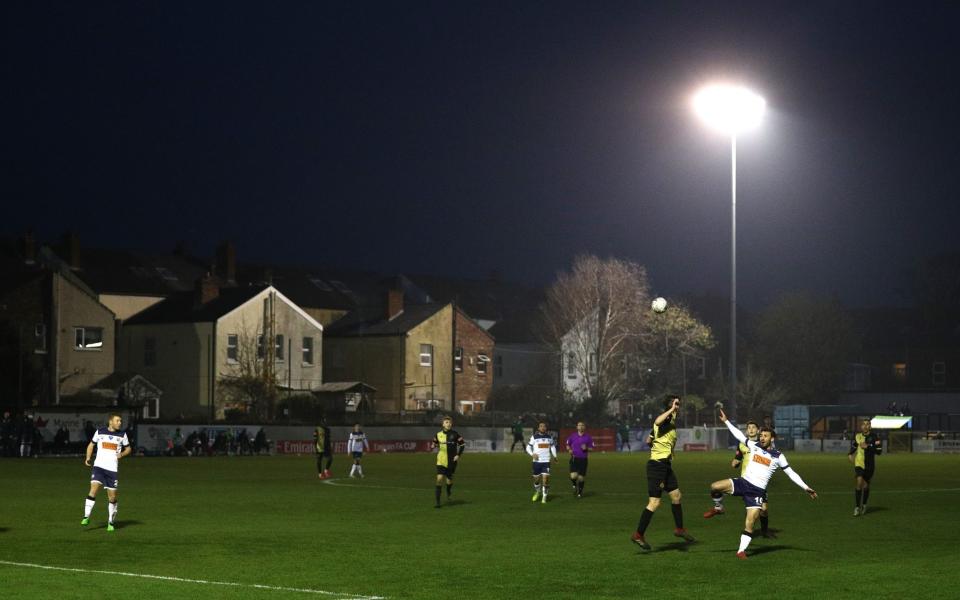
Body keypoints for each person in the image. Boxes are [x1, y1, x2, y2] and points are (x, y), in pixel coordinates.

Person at [706, 408, 817, 559]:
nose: (762, 438)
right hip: (743, 483)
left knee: (750, 522)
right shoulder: (754, 446)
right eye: (761, 435)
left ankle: (741, 551)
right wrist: (726, 421)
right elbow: (739, 436)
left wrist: (806, 487)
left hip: (756, 492)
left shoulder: (778, 456)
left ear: (772, 438)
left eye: (765, 436)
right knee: (714, 486)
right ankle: (719, 507)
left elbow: (791, 473)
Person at [631, 395, 695, 550]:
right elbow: (657, 421)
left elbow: (648, 440)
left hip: (665, 466)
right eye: (676, 404)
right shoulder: (666, 419)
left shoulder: (670, 422)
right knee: (654, 502)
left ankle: (679, 529)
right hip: (657, 466)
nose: (678, 406)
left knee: (676, 495)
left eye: (679, 403)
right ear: (670, 406)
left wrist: (664, 447)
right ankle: (638, 534)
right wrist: (671, 410)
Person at [706, 420, 774, 538]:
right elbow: (737, 458)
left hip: (758, 481)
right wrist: (735, 462)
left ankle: (764, 531)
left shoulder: (762, 443)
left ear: (758, 431)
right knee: (716, 487)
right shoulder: (742, 444)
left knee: (764, 509)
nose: (751, 429)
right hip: (745, 480)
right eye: (749, 428)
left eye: (753, 427)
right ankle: (718, 507)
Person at [81, 412, 132, 532]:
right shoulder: (100, 432)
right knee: (93, 489)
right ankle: (86, 516)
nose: (120, 423)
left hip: (112, 470)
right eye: (117, 421)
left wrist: (122, 454)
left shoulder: (122, 435)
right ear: (111, 422)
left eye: (120, 421)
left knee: (112, 497)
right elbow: (91, 445)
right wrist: (88, 458)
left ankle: (110, 521)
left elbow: (129, 448)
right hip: (99, 467)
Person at [849, 417, 882, 516]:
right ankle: (857, 507)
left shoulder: (875, 437)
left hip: (869, 466)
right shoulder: (858, 436)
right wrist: (850, 454)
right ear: (861, 426)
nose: (865, 426)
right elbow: (855, 445)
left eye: (868, 424)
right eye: (864, 424)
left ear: (870, 426)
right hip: (859, 464)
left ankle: (864, 505)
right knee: (859, 482)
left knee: (866, 486)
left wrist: (868, 446)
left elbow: (879, 451)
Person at [431, 416, 465, 508]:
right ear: (443, 424)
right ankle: (438, 503)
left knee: (449, 480)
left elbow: (462, 445)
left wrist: (458, 455)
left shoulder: (455, 434)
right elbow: (434, 443)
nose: (448, 424)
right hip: (441, 460)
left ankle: (448, 492)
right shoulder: (438, 435)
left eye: (449, 422)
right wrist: (433, 445)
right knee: (439, 480)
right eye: (446, 422)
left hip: (451, 461)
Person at [527, 421, 557, 504]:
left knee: (546, 479)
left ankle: (544, 496)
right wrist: (532, 454)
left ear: (546, 428)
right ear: (538, 428)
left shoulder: (549, 437)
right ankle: (537, 491)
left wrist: (555, 456)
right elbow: (528, 448)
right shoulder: (534, 437)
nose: (543, 428)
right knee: (536, 480)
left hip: (546, 461)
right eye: (541, 426)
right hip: (536, 462)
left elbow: (552, 447)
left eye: (544, 426)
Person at [565, 421, 594, 497]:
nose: (580, 427)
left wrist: (586, 448)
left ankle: (580, 492)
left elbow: (592, 448)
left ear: (584, 427)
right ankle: (574, 485)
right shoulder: (572, 436)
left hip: (583, 460)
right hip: (574, 458)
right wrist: (569, 450)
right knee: (573, 476)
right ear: (577, 427)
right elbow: (567, 444)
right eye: (579, 425)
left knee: (581, 477)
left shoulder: (588, 437)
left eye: (582, 425)